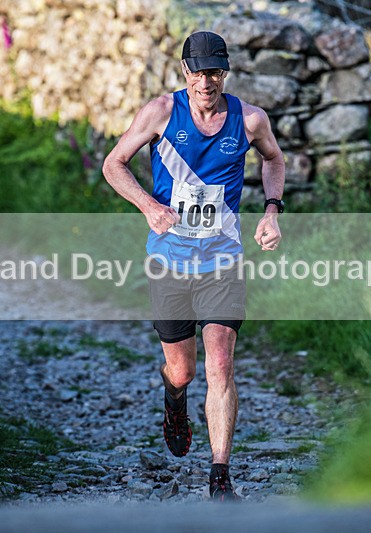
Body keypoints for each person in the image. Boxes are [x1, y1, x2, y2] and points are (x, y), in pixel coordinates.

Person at [102, 30, 285, 501]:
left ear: (225, 72)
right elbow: (114, 164)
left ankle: (219, 476)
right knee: (182, 370)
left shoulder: (249, 118)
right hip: (169, 260)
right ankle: (175, 399)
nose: (207, 81)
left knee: (221, 364)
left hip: (223, 260)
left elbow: (273, 160)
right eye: (198, 72)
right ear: (185, 71)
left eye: (215, 72)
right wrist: (148, 206)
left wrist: (270, 210)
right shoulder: (162, 112)